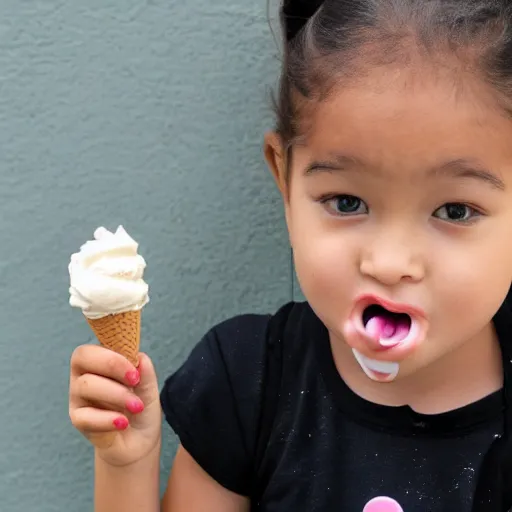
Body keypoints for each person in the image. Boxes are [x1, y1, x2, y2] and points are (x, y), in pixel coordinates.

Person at [68, 1, 512, 510]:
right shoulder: (248, 384)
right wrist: (126, 466)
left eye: (455, 210)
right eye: (346, 202)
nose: (389, 263)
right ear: (284, 180)